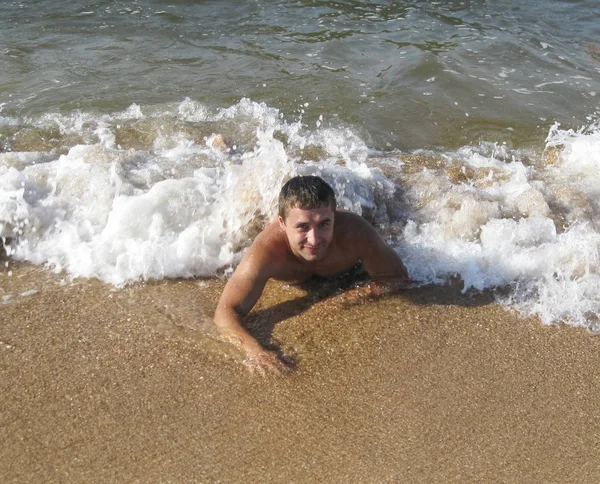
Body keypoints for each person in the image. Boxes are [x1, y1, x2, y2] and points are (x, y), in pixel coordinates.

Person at [213, 175, 410, 375]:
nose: (314, 239)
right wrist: (256, 351)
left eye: (324, 224)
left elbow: (397, 278)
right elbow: (226, 311)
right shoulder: (266, 251)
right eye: (302, 227)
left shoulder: (356, 233)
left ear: (335, 217)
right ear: (282, 223)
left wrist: (350, 298)